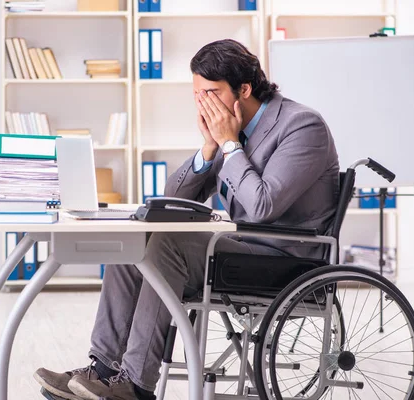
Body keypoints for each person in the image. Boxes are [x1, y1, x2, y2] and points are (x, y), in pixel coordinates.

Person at [34, 39, 340, 400]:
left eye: (211, 93)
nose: (203, 104)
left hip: (287, 262)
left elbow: (261, 206)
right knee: (136, 235)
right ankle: (102, 369)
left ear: (244, 89)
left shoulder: (302, 126)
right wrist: (209, 148)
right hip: (241, 249)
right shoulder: (232, 131)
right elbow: (175, 199)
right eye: (197, 95)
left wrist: (229, 145)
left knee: (167, 246)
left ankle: (135, 385)